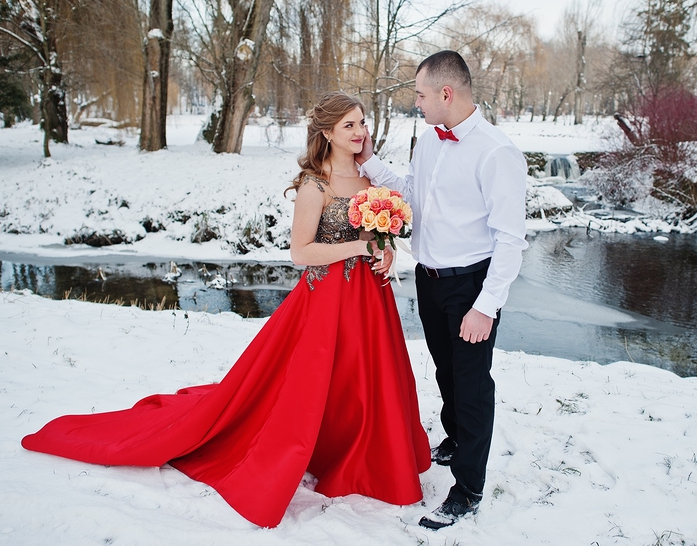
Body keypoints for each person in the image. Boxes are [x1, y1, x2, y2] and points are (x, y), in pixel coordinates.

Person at [21, 92, 431, 528]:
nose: (359, 132)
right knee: (316, 383)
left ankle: (364, 453)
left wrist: (383, 253)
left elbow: (378, 235)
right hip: (327, 301)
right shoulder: (316, 183)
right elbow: (300, 252)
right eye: (348, 125)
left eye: (362, 123)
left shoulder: (371, 179)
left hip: (370, 299)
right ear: (327, 132)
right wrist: (360, 245)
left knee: (364, 381)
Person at [356, 50, 528, 529]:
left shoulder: (497, 152)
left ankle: (468, 489)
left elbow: (511, 240)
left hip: (472, 286)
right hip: (429, 281)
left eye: (420, 94)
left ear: (446, 94)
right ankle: (455, 440)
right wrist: (371, 164)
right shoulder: (429, 140)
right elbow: (413, 191)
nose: (417, 103)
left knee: (472, 387)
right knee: (447, 374)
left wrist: (485, 307)